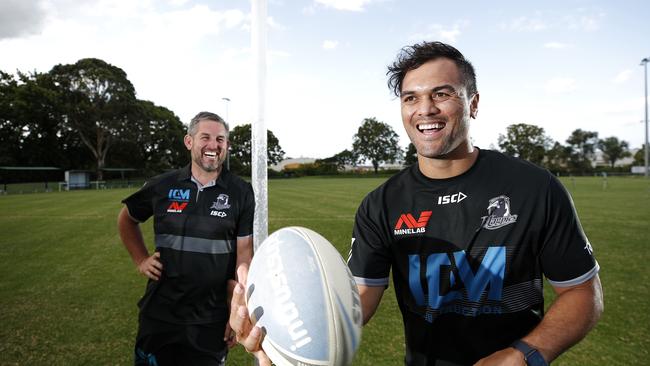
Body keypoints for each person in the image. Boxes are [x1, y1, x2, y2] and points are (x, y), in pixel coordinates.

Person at [230, 41, 604, 366]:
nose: (425, 109)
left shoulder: (534, 187)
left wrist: (525, 353)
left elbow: (583, 293)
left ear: (472, 104)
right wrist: (275, 329)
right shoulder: (382, 204)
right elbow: (354, 302)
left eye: (441, 94)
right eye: (411, 98)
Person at [118, 111, 254, 366]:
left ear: (226, 145)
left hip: (211, 320)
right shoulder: (163, 185)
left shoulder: (241, 191)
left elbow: (244, 254)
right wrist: (140, 259)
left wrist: (236, 309)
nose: (213, 145)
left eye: (220, 139)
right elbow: (126, 219)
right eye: (205, 137)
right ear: (189, 141)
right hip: (160, 315)